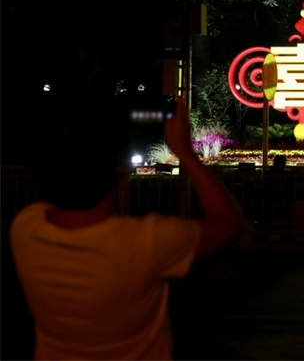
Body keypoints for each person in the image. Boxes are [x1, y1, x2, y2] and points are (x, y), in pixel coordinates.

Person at [10, 97, 243, 360]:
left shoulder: (25, 228)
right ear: (118, 171)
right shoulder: (145, 241)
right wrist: (185, 153)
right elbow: (229, 225)